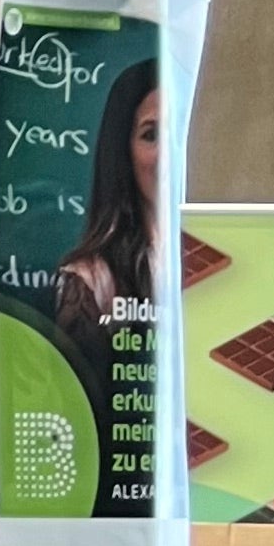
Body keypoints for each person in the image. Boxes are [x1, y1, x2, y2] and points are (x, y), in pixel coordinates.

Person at [52, 59, 162, 515]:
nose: (170, 150)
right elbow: (78, 430)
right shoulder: (90, 282)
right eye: (151, 134)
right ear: (123, 151)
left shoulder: (240, 265)